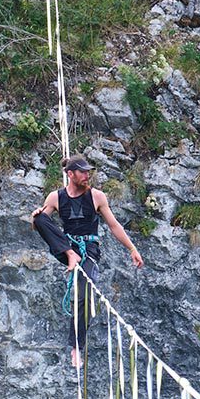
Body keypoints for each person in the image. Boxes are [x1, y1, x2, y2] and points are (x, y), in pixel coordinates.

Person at [31, 153, 144, 367]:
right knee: (39, 218)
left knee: (85, 296)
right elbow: (37, 225)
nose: (87, 175)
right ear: (70, 174)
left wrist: (132, 248)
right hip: (66, 248)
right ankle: (70, 254)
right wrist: (36, 215)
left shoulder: (97, 197)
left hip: (89, 251)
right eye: (82, 172)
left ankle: (76, 347)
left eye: (88, 171)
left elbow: (113, 225)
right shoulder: (55, 197)